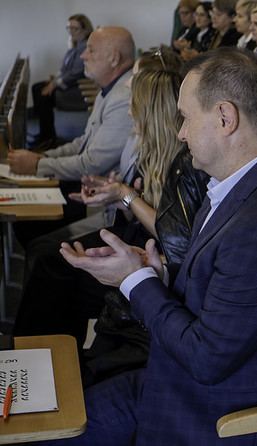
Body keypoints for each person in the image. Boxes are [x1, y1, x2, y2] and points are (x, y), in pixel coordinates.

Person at [58, 47, 257, 445]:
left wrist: (134, 282)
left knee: (52, 432)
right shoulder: (243, 183)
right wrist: (156, 272)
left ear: (225, 117)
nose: (180, 133)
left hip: (218, 416)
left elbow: (206, 358)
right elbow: (220, 289)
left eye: (185, 118)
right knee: (62, 410)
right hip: (182, 383)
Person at [14, 51, 208, 360]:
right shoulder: (152, 147)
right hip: (137, 240)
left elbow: (172, 237)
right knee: (49, 261)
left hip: (155, 258)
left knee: (53, 268)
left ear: (149, 110)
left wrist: (125, 195)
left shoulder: (184, 161)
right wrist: (120, 197)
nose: (129, 112)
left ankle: (37, 359)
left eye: (134, 103)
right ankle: (45, 358)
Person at [9, 26, 134, 182]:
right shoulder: (110, 89)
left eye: (91, 50)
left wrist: (37, 165)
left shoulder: (123, 98)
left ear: (114, 59)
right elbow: (84, 143)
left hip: (101, 197)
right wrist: (43, 156)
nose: (83, 55)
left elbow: (92, 164)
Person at [29, 13, 93, 150]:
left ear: (85, 29)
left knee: (43, 96)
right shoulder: (75, 46)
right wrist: (55, 80)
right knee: (36, 87)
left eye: (74, 28)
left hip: (78, 89)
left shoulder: (85, 46)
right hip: (69, 85)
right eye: (69, 28)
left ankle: (48, 138)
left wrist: (55, 83)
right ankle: (45, 134)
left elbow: (77, 72)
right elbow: (64, 68)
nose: (70, 31)